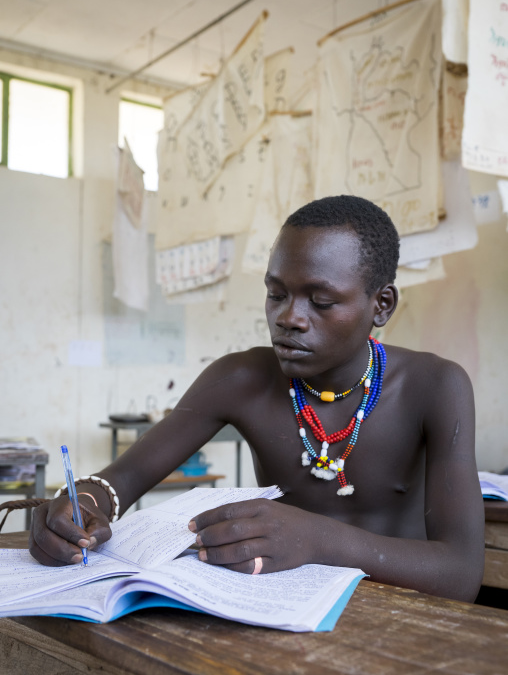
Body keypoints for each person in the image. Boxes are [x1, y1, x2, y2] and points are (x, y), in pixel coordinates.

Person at [29, 195, 485, 602]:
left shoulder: (436, 386)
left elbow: (461, 572)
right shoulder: (240, 378)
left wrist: (318, 538)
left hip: (402, 617)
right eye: (276, 294)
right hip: (274, 615)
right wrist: (78, 507)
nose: (290, 318)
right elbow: (118, 482)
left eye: (321, 302)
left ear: (381, 305)